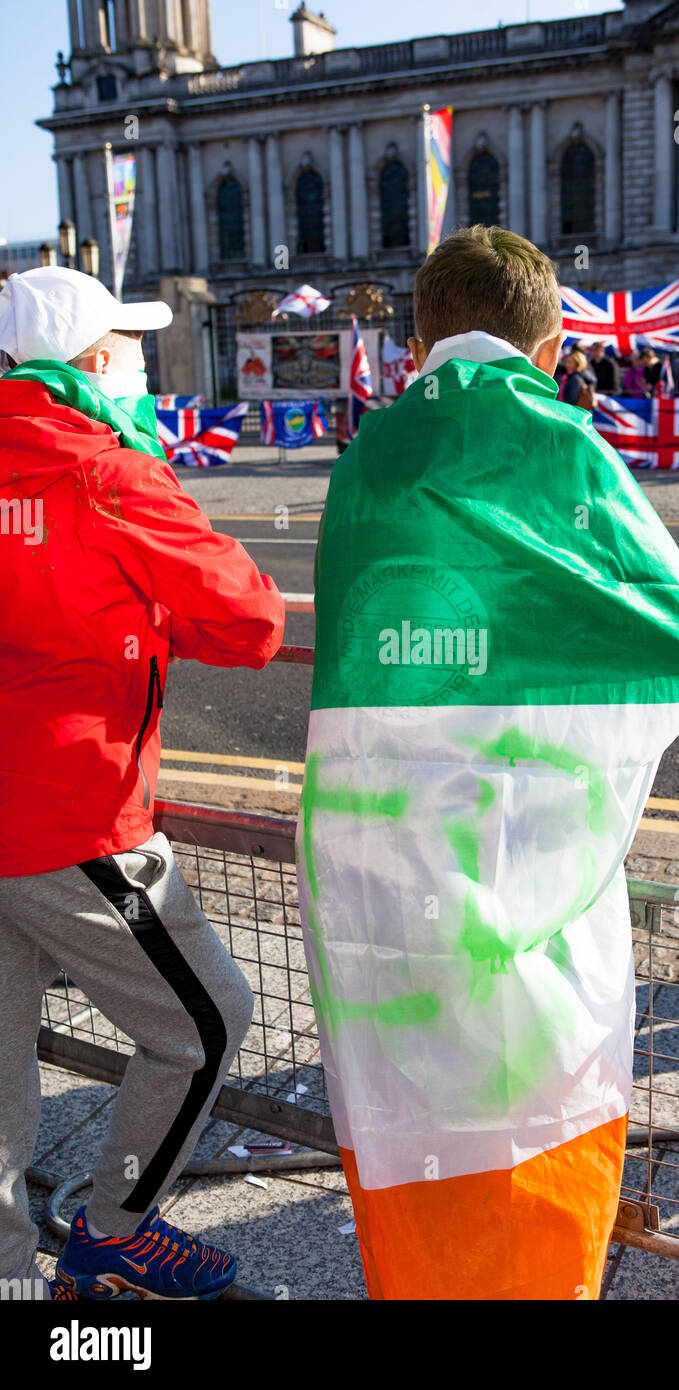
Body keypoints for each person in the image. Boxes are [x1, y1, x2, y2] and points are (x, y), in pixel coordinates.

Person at [296, 224, 679, 1301]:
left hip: (378, 877)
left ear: (420, 338)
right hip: (519, 877)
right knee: (533, 1128)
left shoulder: (366, 459)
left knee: (408, 1130)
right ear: (547, 349)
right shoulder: (566, 447)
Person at [0, 267, 285, 1300]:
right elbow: (251, 624)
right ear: (90, 363)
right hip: (73, 813)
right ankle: (114, 1224)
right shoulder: (109, 472)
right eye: (129, 344)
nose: (141, 364)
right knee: (204, 1022)